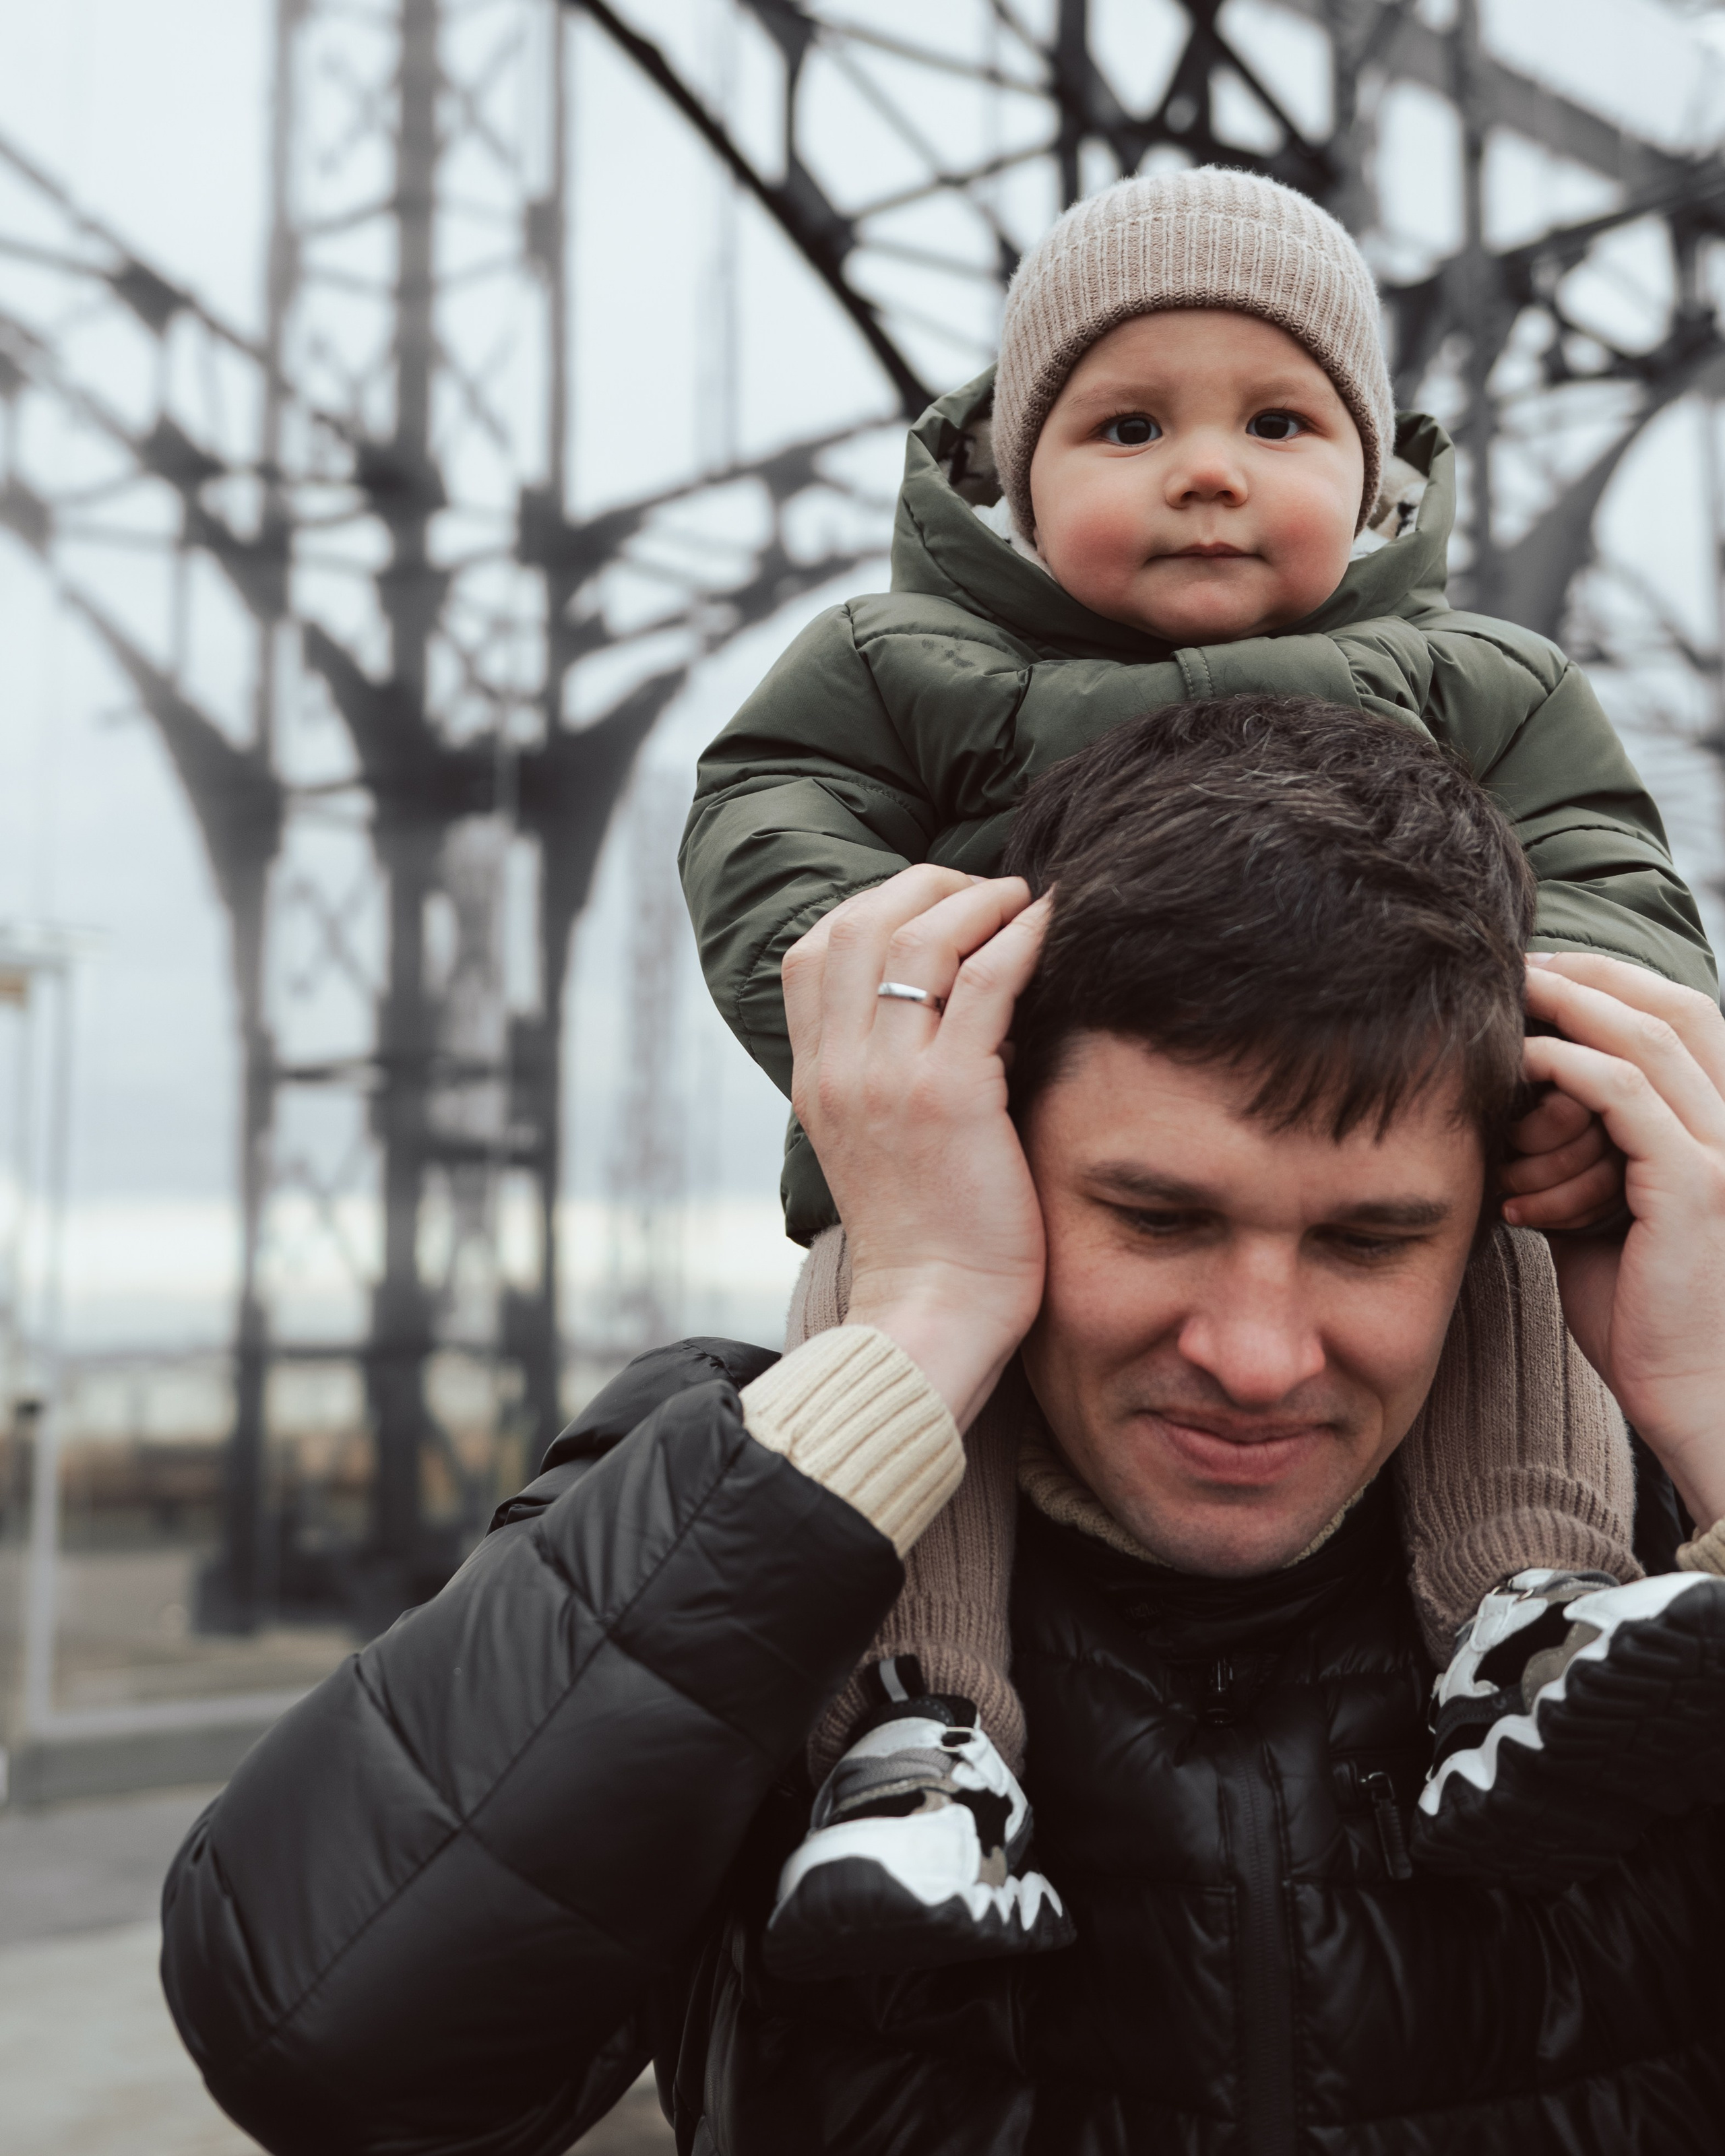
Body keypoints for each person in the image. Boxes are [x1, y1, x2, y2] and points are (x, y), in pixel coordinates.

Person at [162, 699, 1725, 2153]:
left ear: (1490, 1228)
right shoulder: (743, 1493)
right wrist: (911, 1320)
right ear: (974, 1139)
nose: (1256, 1357)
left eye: (1369, 1240)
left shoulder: (1652, 1570)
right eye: (1158, 1216)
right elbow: (329, 2045)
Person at [679, 166, 1718, 1965]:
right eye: (1129, 423)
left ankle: (1533, 1609)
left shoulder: (1484, 680)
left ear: (1379, 474)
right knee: (904, 1316)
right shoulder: (895, 658)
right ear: (1008, 473)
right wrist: (897, 1034)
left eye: (1278, 419)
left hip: (1403, 1124)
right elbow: (775, 834)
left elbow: (1610, 883)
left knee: (1490, 1255)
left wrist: (1568, 1066)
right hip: (969, 1152)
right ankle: (922, 1737)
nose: (1208, 467)